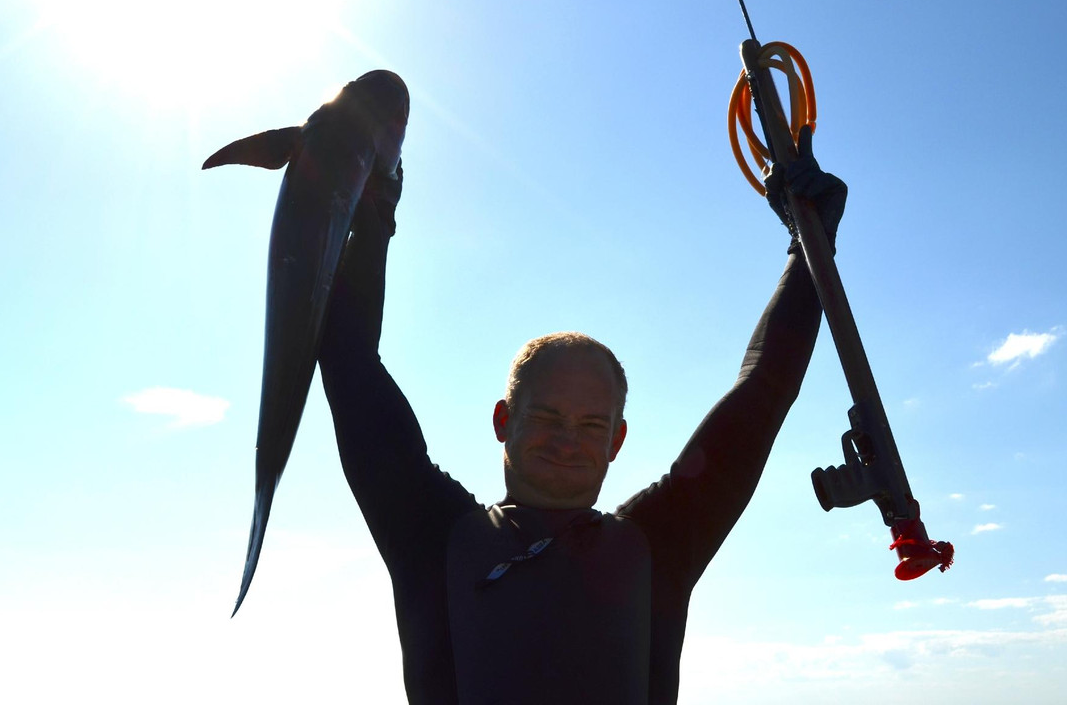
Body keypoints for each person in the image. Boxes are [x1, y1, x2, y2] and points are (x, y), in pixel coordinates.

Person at [318, 126, 845, 705]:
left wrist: (810, 241)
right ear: (503, 421)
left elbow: (764, 391)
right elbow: (348, 361)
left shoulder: (659, 541)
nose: (568, 440)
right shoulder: (432, 532)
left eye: (592, 424)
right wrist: (374, 207)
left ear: (617, 439)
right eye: (547, 416)